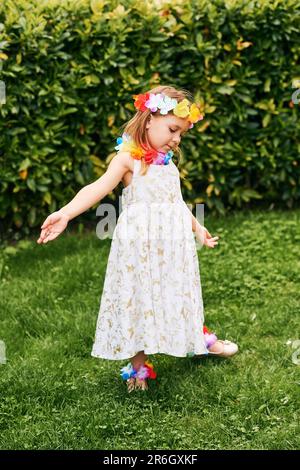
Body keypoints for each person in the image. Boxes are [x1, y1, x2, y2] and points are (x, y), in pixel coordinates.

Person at [37, 85, 238, 393]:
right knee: (141, 299)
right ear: (148, 121)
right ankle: (138, 370)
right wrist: (65, 213)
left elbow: (177, 201)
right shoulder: (128, 159)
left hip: (172, 246)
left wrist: (197, 227)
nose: (176, 139)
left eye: (182, 134)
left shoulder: (167, 161)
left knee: (179, 292)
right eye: (173, 129)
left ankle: (201, 341)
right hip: (140, 247)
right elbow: (97, 188)